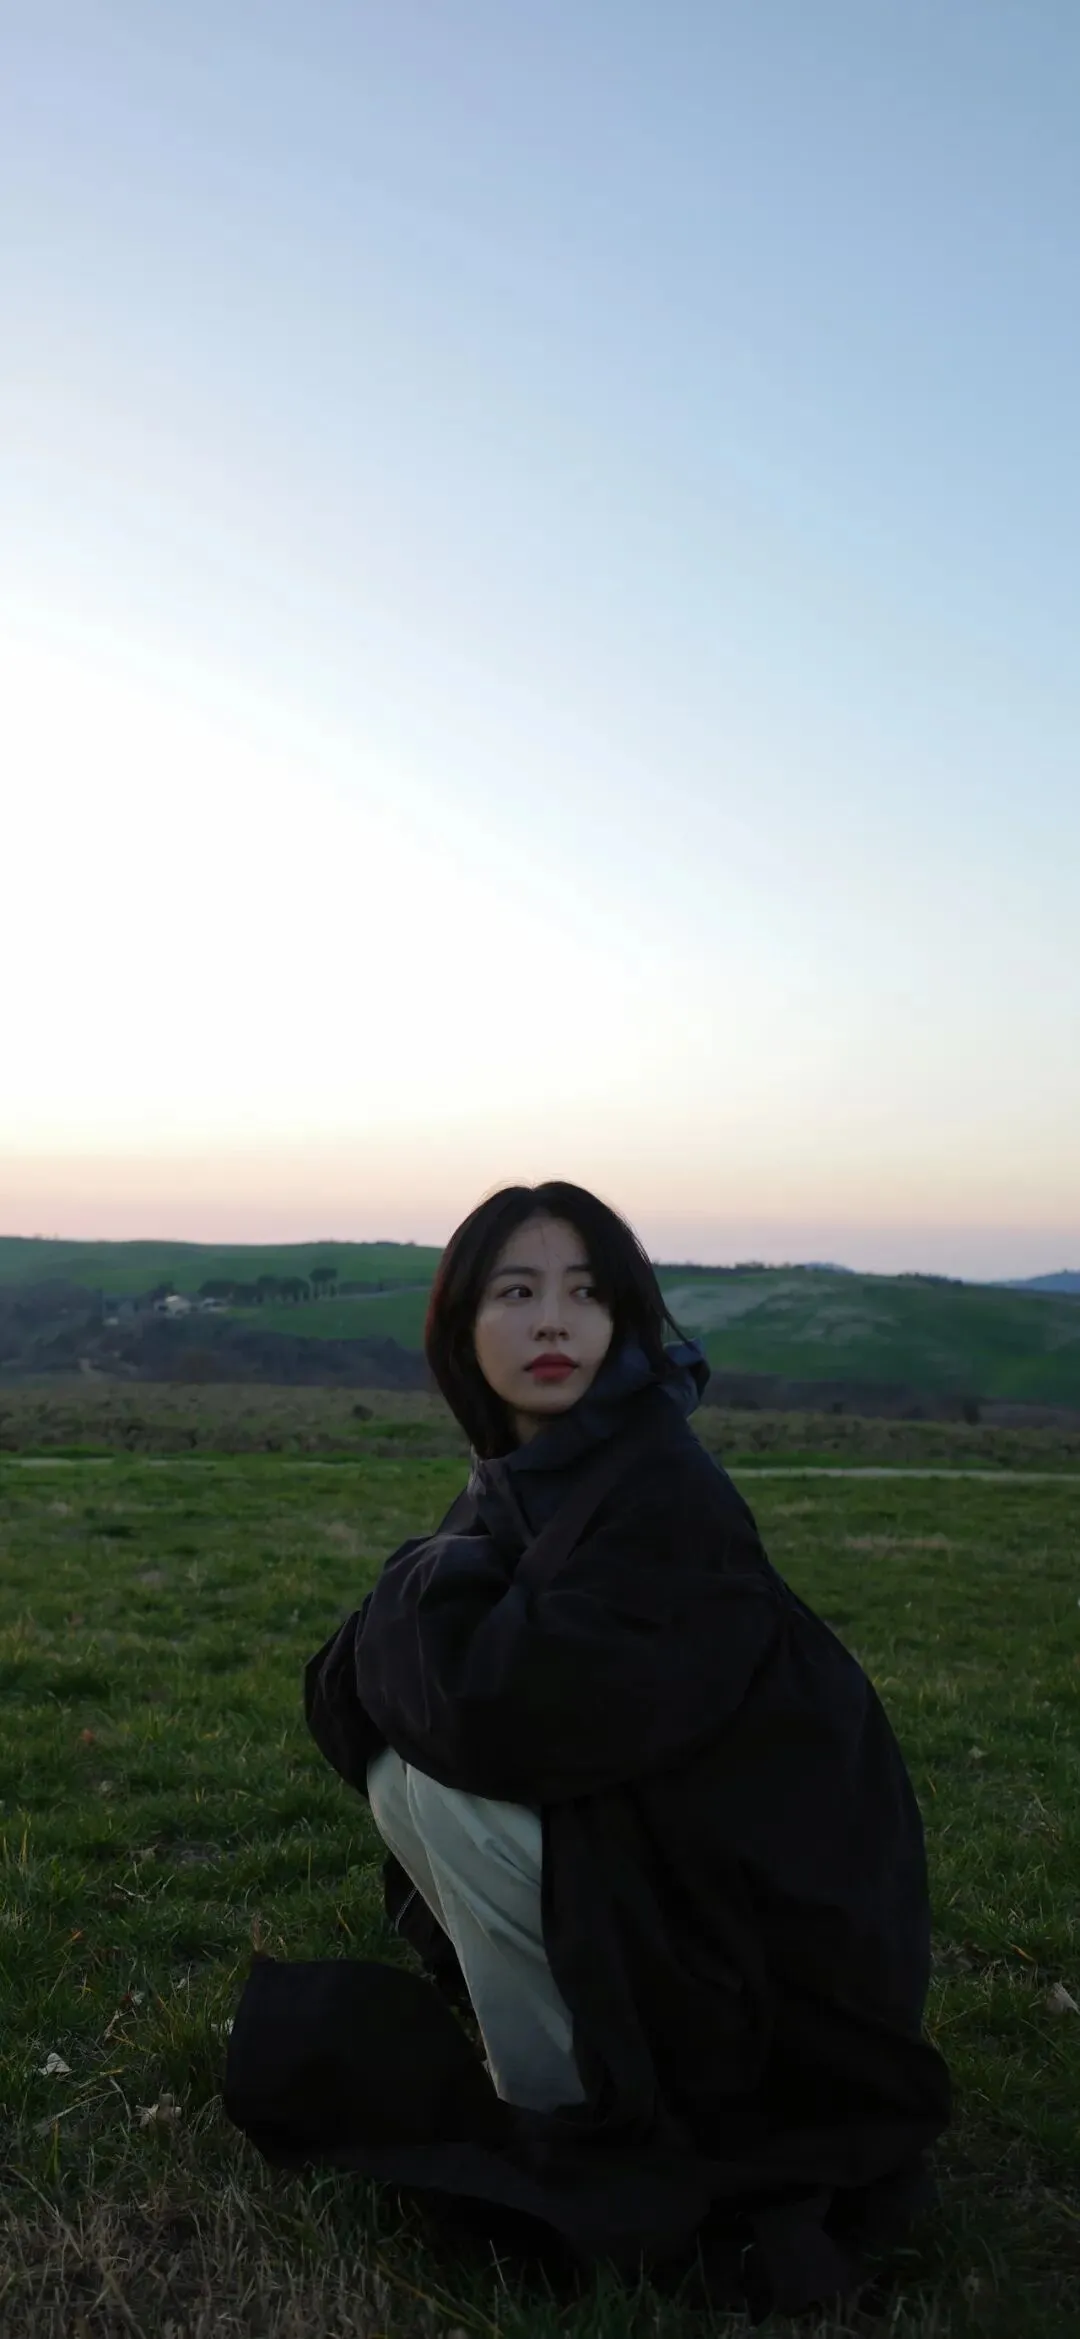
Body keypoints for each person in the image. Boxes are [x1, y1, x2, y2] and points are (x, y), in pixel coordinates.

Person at [246, 1181, 950, 2320]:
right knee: (406, 1770)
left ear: (623, 1319)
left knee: (453, 1782)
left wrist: (418, 1598)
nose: (553, 1322)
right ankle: (563, 2068)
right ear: (463, 1326)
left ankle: (580, 2118)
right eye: (516, 1292)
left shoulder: (661, 1489)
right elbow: (381, 1683)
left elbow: (502, 1713)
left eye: (585, 1293)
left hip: (769, 1940)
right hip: (670, 1850)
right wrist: (428, 1601)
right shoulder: (530, 1471)